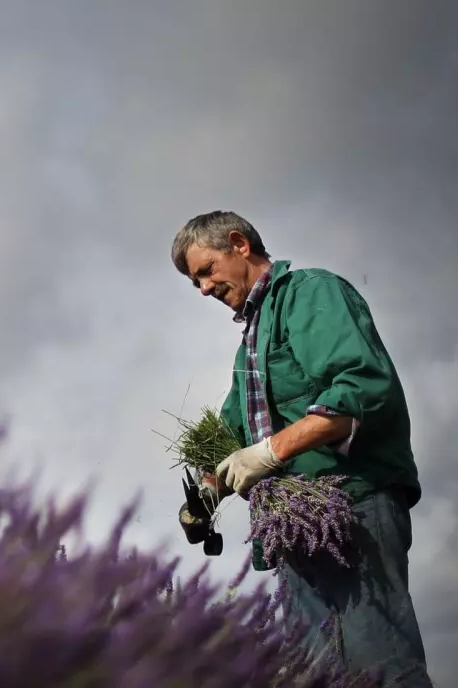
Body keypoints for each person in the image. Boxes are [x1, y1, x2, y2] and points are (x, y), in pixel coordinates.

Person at [170, 211, 432, 686]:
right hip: (293, 528)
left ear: (239, 244)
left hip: (353, 504)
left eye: (206, 271)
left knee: (380, 664)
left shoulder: (310, 294)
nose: (204, 289)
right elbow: (235, 433)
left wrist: (270, 451)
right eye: (195, 284)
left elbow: (361, 386)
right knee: (317, 675)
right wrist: (208, 492)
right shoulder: (250, 343)